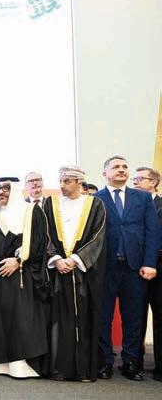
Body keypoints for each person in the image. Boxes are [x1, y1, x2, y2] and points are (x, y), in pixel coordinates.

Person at [95, 156, 160, 381]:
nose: (121, 170)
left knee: (133, 318)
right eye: (116, 167)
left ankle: (131, 363)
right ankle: (104, 362)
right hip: (105, 268)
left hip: (135, 268)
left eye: (124, 166)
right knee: (102, 317)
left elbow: (152, 232)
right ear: (105, 173)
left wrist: (150, 262)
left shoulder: (143, 198)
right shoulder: (95, 199)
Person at [0, 177, 49, 379]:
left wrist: (18, 261)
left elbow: (39, 243)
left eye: (6, 188)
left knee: (20, 319)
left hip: (21, 276)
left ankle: (20, 362)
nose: (1, 192)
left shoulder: (31, 212)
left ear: (16, 190)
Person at [43, 165, 106, 381]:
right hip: (57, 272)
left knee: (84, 319)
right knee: (57, 319)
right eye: (61, 181)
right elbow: (44, 234)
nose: (62, 185)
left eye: (67, 181)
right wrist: (56, 259)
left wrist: (75, 259)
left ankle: (83, 370)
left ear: (79, 182)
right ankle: (58, 369)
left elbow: (98, 237)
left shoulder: (95, 204)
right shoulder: (50, 204)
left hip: (83, 273)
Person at [134, 166, 162, 380]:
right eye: (133, 179)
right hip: (134, 270)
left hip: (160, 271)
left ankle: (160, 366)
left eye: (139, 179)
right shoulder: (132, 206)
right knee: (136, 317)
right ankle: (134, 362)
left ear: (153, 182)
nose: (134, 182)